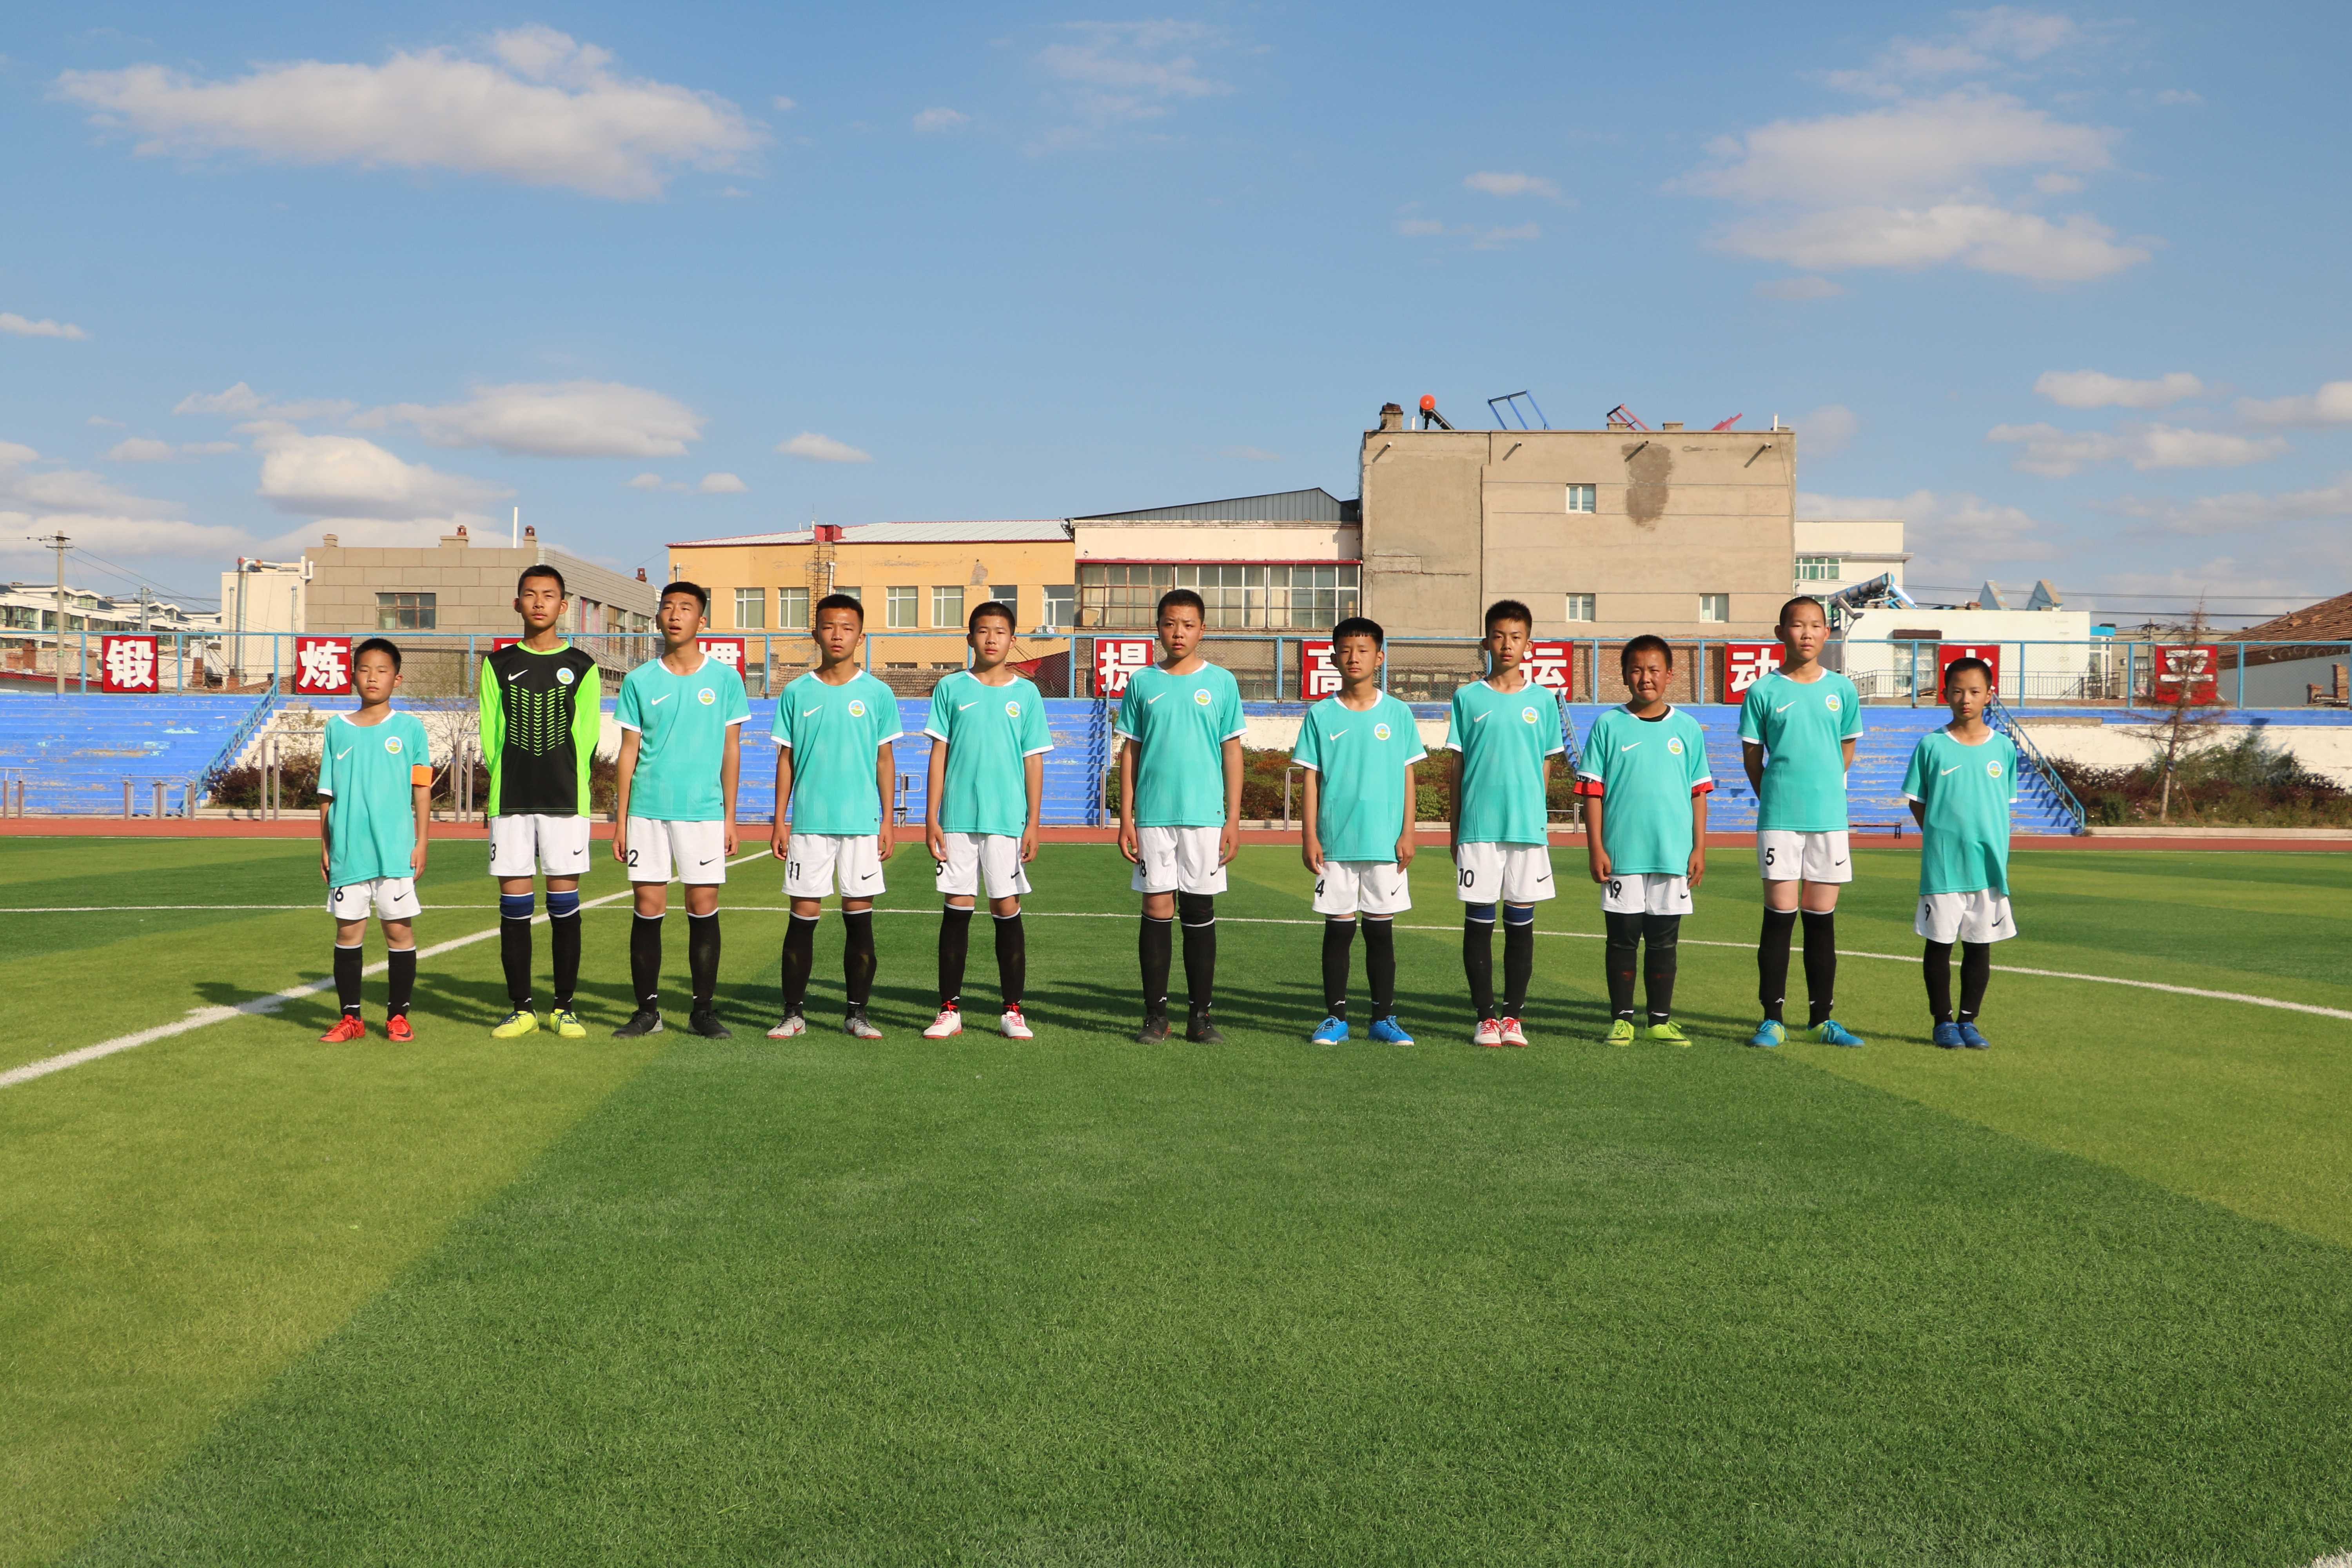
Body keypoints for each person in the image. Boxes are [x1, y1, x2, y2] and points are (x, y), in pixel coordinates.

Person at [610, 582, 749, 1040]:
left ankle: (702, 1012)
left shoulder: (725, 679)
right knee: (647, 906)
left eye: (686, 608)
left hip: (703, 810)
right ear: (658, 618)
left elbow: (731, 749)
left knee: (702, 904)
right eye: (668, 607)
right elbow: (628, 752)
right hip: (647, 809)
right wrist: (621, 820)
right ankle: (647, 1013)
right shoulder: (640, 680)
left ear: (701, 620)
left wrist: (729, 817)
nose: (675, 615)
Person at [768, 592, 901, 1039]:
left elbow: (885, 760)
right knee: (803, 916)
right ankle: (792, 1014)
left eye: (847, 628)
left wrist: (887, 821)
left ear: (861, 636)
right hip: (809, 824)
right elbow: (786, 759)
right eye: (829, 626)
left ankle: (857, 1014)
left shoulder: (878, 693)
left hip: (861, 825)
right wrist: (780, 820)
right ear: (816, 634)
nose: (837, 635)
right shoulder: (797, 691)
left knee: (859, 918)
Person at [479, 565, 602, 1040]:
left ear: (563, 606)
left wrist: (568, 781)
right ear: (517, 604)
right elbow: (491, 734)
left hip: (565, 799)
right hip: (511, 799)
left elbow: (586, 737)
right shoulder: (498, 664)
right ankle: (522, 1009)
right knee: (514, 905)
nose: (538, 602)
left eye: (548, 595)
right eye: (530, 594)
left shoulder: (583, 665)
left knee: (564, 903)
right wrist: (508, 778)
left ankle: (564, 1008)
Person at [1116, 588, 1244, 1043]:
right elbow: (1130, 751)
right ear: (1158, 628)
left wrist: (1233, 819)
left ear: (1202, 629)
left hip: (1205, 816)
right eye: (1170, 624)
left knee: (1199, 907)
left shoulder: (1222, 682)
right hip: (1153, 814)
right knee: (1156, 906)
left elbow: (1232, 751)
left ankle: (1200, 1016)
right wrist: (1126, 816)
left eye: (1188, 625)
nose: (1178, 633)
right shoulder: (1142, 682)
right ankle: (1156, 1015)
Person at [1739, 596, 1866, 1048]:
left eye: (1815, 625)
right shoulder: (1763, 691)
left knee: (1820, 919)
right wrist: (1776, 796)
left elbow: (1845, 751)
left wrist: (1824, 789)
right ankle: (1772, 1019)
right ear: (1781, 633)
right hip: (1780, 818)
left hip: (1829, 819)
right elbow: (1753, 758)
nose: (1807, 633)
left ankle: (1821, 1020)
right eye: (1797, 625)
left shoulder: (1843, 690)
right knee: (1779, 915)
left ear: (1827, 634)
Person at [920, 600, 1051, 1040]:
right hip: (957, 818)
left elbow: (1034, 760)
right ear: (970, 638)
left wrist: (1033, 823)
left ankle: (1012, 1010)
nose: (991, 638)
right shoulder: (951, 687)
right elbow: (939, 754)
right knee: (957, 907)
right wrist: (932, 816)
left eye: (1000, 631)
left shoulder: (1026, 694)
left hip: (1007, 819)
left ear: (1013, 640)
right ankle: (949, 1010)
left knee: (1005, 907)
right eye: (983, 630)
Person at [1575, 636, 1714, 1046]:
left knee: (1664, 941)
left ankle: (1659, 1021)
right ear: (1624, 675)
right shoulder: (1608, 724)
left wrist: (1699, 847)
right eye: (1637, 670)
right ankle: (1622, 1020)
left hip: (1673, 853)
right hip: (1623, 853)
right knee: (1622, 938)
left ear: (1670, 674)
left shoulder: (1687, 728)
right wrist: (1596, 847)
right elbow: (1593, 792)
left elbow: (1698, 793)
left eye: (1654, 670)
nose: (1645, 678)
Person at [1294, 616, 1423, 1045]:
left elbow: (1408, 775)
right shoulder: (1321, 714)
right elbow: (1311, 778)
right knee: (1338, 931)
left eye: (1364, 650)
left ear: (1379, 657)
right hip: (1335, 843)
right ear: (1334, 658)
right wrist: (1309, 835)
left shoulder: (1398, 713)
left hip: (1385, 843)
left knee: (1381, 932)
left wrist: (1408, 832)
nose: (1355, 658)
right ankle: (1335, 1019)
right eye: (1346, 650)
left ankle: (1383, 1018)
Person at [1443, 599, 1563, 1047]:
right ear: (1485, 642)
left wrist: (1536, 815)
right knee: (1478, 922)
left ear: (1529, 644)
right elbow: (1457, 767)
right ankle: (1485, 1018)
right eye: (1498, 636)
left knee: (1520, 924)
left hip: (1526, 830)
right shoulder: (1467, 697)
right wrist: (1455, 828)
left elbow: (1546, 764)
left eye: (1516, 637)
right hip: (1479, 828)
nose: (1507, 644)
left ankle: (1513, 1017)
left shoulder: (1543, 700)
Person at [316, 637, 431, 1042]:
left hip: (396, 850)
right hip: (349, 851)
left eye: (382, 670)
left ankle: (398, 1017)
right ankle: (352, 1019)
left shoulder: (410, 728)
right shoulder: (336, 728)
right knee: (348, 934)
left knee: (399, 932)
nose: (372, 677)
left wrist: (422, 841)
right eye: (365, 669)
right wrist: (326, 846)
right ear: (353, 676)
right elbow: (326, 794)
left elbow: (421, 789)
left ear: (397, 678)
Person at [1902, 656, 2018, 1049]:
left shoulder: (2003, 748)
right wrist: (1940, 836)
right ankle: (1943, 1022)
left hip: (1988, 868)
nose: (1965, 699)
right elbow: (1918, 802)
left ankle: (1969, 1021)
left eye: (1974, 691)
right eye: (1957, 691)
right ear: (1945, 694)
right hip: (1944, 866)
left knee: (1979, 946)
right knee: (1939, 944)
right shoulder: (1932, 745)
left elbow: (2002, 806)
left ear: (1989, 695)